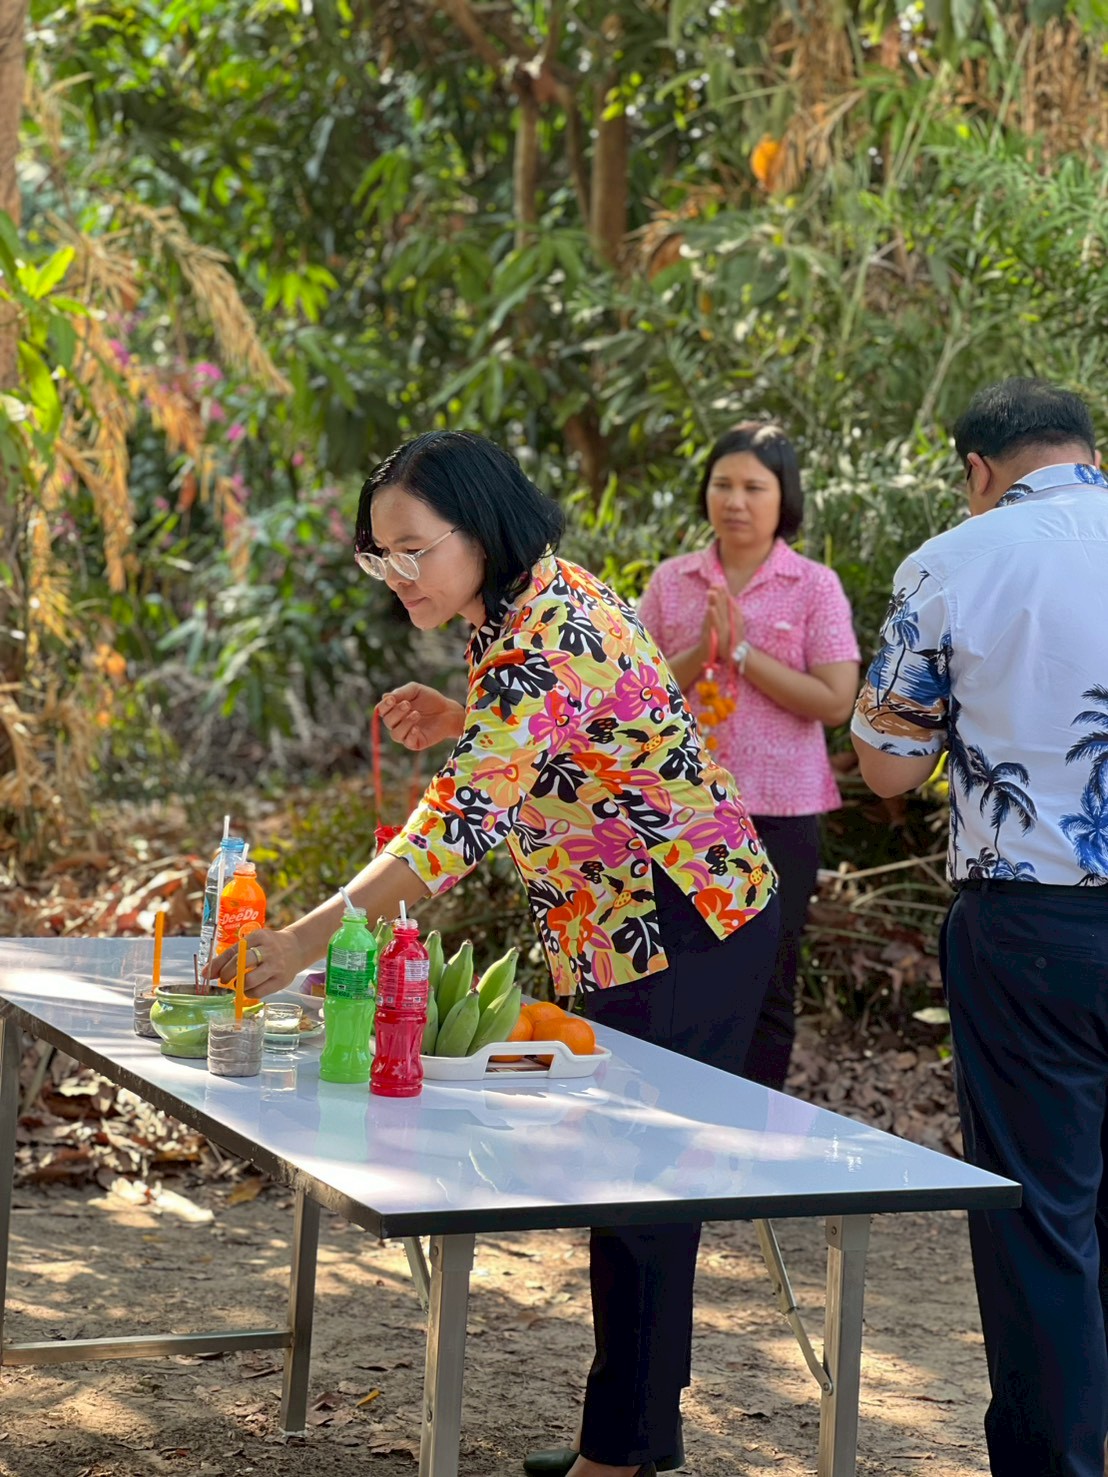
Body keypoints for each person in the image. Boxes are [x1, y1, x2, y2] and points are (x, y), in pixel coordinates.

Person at [210, 429, 780, 1477]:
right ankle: (631, 1440)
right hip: (618, 919)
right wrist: (465, 715)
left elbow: (454, 827)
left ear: (480, 530)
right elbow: (559, 728)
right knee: (630, 1180)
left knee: (643, 1187)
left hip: (678, 913)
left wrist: (297, 940)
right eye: (379, 554)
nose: (396, 574)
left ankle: (620, 1452)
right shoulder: (519, 607)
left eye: (412, 549)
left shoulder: (546, 629)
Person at [850, 379, 1108, 1477]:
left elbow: (887, 767)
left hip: (1033, 929)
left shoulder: (954, 560)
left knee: (1041, 1220)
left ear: (977, 469)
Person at [637, 422, 859, 1091]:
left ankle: (754, 1135)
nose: (735, 500)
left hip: (780, 814)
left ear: (783, 496)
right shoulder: (671, 581)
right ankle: (677, 1122)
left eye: (754, 487)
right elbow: (630, 695)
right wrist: (699, 651)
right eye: (723, 484)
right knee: (675, 977)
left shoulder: (813, 585)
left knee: (768, 982)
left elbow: (836, 700)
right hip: (680, 809)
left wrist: (739, 653)